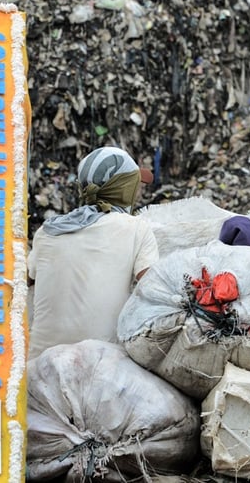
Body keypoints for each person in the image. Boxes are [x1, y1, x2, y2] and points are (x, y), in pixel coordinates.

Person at [27, 146, 158, 360]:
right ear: (123, 187)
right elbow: (155, 290)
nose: (139, 190)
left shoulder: (48, 231)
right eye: (135, 183)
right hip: (99, 366)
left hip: (37, 362)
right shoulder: (137, 230)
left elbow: (24, 281)